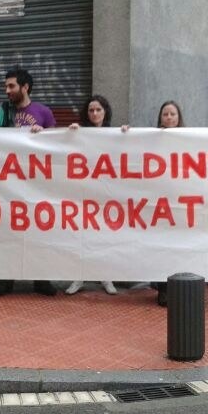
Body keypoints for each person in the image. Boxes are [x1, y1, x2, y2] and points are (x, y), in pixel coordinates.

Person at [0, 67, 57, 296]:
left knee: (39, 229)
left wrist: (43, 133)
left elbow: (57, 145)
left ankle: (41, 278)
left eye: (11, 86)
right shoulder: (2, 111)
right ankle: (6, 279)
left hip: (36, 181)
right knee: (8, 229)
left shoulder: (43, 112)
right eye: (6, 86)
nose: (7, 90)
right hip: (8, 181)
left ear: (25, 87)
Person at [65, 95, 119, 296]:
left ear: (105, 111)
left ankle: (106, 277)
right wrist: (69, 135)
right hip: (83, 192)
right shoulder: (79, 132)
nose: (95, 114)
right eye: (91, 110)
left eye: (98, 110)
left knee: (104, 236)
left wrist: (127, 135)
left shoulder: (115, 133)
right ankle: (79, 276)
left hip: (106, 193)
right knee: (82, 236)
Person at [153, 100, 185, 306]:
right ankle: (162, 289)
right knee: (159, 249)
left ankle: (180, 289)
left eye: (173, 114)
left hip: (181, 203)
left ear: (179, 117)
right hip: (157, 203)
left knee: (179, 248)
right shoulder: (150, 138)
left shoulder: (191, 138)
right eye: (165, 114)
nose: (169, 117)